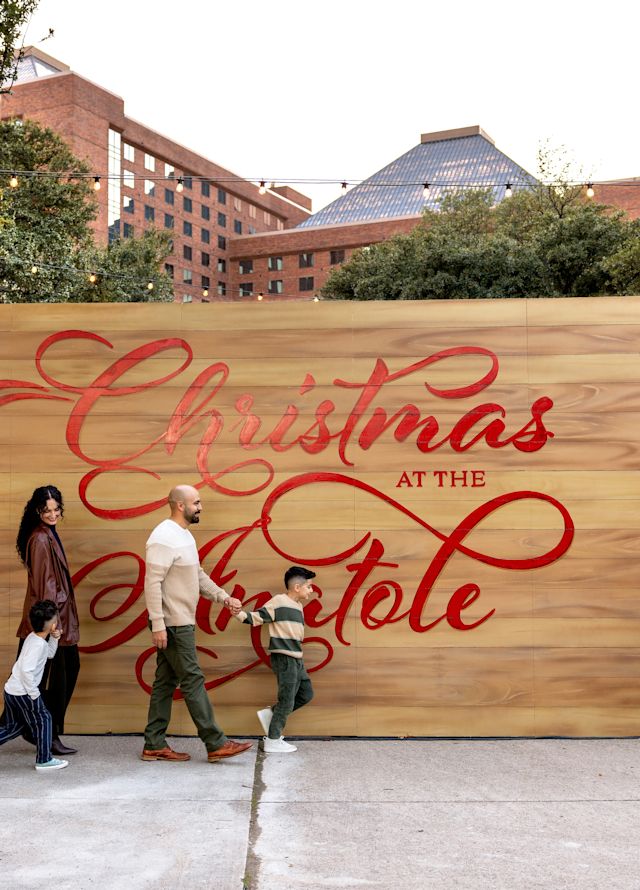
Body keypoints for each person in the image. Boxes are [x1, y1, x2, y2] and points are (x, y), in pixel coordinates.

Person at [141, 484, 252, 763]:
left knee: (165, 683)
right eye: (196, 503)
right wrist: (157, 624)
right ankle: (215, 743)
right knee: (192, 680)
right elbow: (151, 582)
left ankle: (154, 744)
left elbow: (197, 575)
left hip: (178, 622)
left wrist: (223, 597)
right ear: (180, 505)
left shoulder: (183, 537)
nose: (200, 507)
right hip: (173, 624)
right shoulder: (163, 537)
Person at [12, 485, 80, 756]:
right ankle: (46, 733)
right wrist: (51, 625)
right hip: (52, 625)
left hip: (53, 622)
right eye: (47, 510)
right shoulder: (40, 539)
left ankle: (34, 728)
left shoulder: (46, 534)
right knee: (54, 679)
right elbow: (45, 587)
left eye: (56, 509)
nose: (52, 515)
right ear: (37, 511)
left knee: (31, 680)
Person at [235, 566, 316, 754]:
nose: (311, 591)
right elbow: (258, 617)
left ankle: (271, 714)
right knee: (287, 700)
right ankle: (272, 739)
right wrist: (238, 613)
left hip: (297, 657)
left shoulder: (298, 606)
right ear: (297, 587)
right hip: (284, 657)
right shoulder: (279, 601)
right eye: (309, 587)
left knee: (306, 693)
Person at [0, 600, 69, 771]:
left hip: (12, 690)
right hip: (24, 692)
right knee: (44, 719)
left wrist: (55, 638)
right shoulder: (37, 644)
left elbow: (50, 654)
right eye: (56, 619)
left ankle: (44, 759)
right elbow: (26, 671)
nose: (57, 622)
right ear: (52, 624)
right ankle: (44, 760)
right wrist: (34, 694)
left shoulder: (34, 638)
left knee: (14, 726)